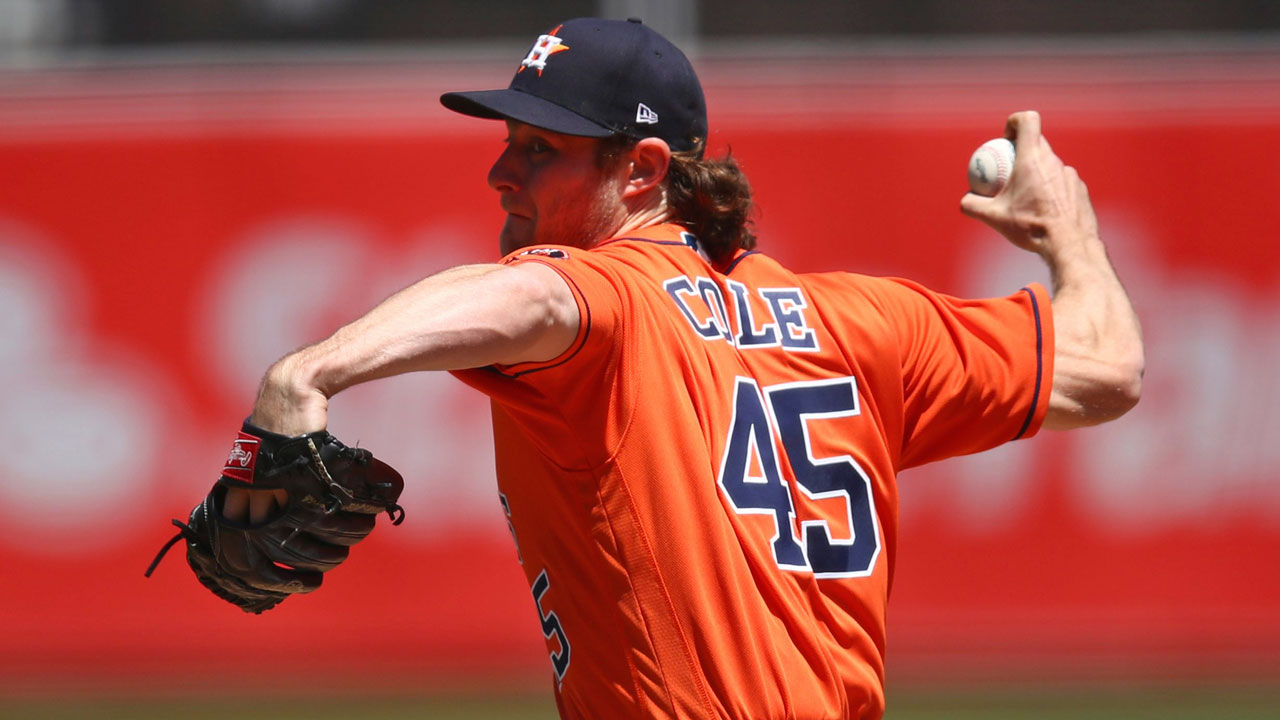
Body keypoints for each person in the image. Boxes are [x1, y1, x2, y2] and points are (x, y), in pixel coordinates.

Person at [225, 17, 1143, 720]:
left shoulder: (610, 296)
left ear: (641, 170)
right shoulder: (864, 322)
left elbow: (536, 301)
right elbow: (1106, 369)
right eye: (508, 141)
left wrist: (308, 375)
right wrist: (1073, 237)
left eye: (540, 148)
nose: (501, 173)